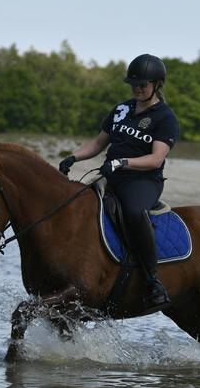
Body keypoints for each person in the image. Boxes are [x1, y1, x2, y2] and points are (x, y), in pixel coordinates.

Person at [59, 54, 179, 311]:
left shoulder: (165, 118)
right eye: (133, 84)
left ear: (157, 84)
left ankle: (153, 281)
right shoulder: (121, 109)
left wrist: (122, 162)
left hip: (142, 179)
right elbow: (99, 143)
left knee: (135, 212)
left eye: (142, 84)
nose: (136, 88)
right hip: (110, 174)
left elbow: (156, 159)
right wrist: (74, 156)